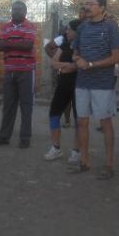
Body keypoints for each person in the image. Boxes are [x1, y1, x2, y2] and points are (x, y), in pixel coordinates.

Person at [68, 0, 119, 180]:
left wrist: (91, 64)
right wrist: (78, 59)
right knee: (81, 122)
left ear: (102, 7)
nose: (86, 7)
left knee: (105, 122)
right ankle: (84, 161)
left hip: (102, 84)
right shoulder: (82, 28)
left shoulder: (111, 28)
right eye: (85, 3)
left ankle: (109, 164)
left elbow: (116, 57)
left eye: (91, 3)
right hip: (82, 83)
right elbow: (74, 53)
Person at [0, 1, 37, 149]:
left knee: (26, 105)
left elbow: (28, 46)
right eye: (14, 9)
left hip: (26, 71)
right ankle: (4, 137)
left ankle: (25, 138)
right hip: (10, 72)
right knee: (8, 106)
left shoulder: (30, 26)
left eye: (19, 9)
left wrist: (8, 43)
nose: (16, 11)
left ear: (25, 11)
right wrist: (17, 43)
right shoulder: (5, 27)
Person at [44, 19, 82, 162]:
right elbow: (53, 63)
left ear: (77, 32)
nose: (66, 32)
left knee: (79, 119)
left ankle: (76, 151)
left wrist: (68, 66)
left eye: (69, 29)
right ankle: (56, 148)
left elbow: (79, 66)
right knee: (54, 114)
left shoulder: (84, 46)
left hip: (79, 85)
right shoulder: (65, 44)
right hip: (63, 84)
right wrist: (68, 65)